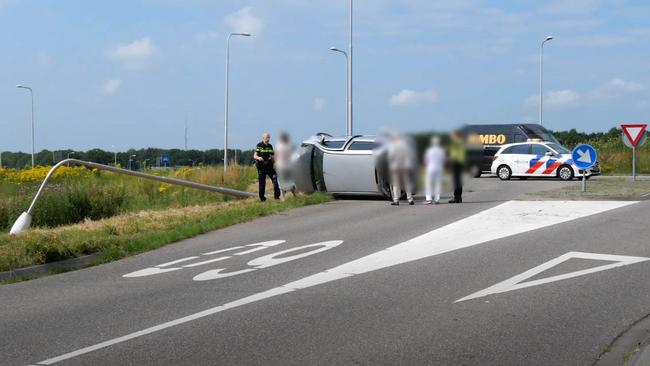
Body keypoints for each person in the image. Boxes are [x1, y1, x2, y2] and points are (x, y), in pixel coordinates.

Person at [387, 133, 416, 206]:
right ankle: (410, 199)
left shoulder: (392, 146)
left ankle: (396, 200)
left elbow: (390, 157)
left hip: (396, 167)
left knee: (396, 184)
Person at [254, 132, 280, 201]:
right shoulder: (259, 145)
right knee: (262, 184)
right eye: (267, 137)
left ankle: (277, 197)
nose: (268, 139)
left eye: (269, 137)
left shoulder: (270, 146)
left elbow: (273, 157)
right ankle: (262, 199)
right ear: (263, 138)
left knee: (275, 180)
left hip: (270, 167)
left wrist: (273, 158)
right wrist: (259, 158)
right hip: (261, 167)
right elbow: (255, 156)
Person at [275, 132, 296, 201]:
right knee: (290, 182)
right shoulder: (289, 146)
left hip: (281, 166)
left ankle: (283, 197)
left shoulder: (279, 146)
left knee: (281, 183)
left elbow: (276, 156)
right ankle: (294, 195)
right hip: (288, 167)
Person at [424, 135, 445, 204]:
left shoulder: (429, 150)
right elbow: (443, 160)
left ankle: (429, 199)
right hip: (439, 168)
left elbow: (426, 160)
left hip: (431, 167)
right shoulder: (441, 150)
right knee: (437, 184)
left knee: (428, 183)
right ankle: (437, 199)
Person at [448, 130, 466, 203]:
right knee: (458, 181)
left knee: (456, 181)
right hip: (460, 163)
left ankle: (456, 197)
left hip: (456, 163)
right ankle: (459, 197)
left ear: (456, 136)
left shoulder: (456, 143)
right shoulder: (461, 142)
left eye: (452, 135)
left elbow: (454, 154)